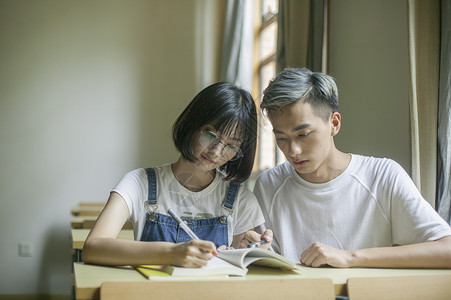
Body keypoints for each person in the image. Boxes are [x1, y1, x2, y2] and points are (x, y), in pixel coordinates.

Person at [254, 67, 451, 268]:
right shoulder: (269, 184)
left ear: (334, 123)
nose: (293, 150)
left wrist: (350, 258)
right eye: (282, 138)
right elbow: (262, 263)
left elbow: (447, 250)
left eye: (303, 134)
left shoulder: (382, 176)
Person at [83, 82, 272, 267]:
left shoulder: (242, 200)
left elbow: (237, 265)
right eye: (210, 135)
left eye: (231, 146)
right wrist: (170, 253)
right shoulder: (139, 183)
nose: (216, 152)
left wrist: (251, 253)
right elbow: (93, 247)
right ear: (191, 124)